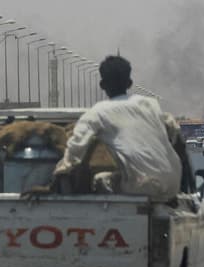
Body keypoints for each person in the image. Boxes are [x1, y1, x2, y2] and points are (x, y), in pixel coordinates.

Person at [52, 55, 183, 200]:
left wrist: (61, 170)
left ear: (102, 85)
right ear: (130, 83)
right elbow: (174, 129)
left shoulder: (98, 112)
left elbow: (76, 148)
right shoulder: (150, 104)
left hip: (142, 186)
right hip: (173, 184)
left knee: (101, 180)